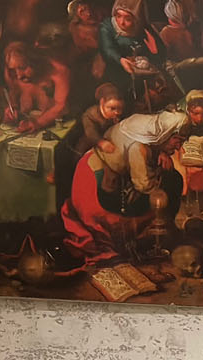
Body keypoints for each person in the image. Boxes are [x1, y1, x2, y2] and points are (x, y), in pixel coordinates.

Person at [60, 110, 188, 263]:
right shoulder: (138, 148)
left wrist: (162, 154)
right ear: (166, 135)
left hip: (104, 172)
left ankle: (159, 233)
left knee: (171, 180)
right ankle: (151, 237)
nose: (179, 147)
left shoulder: (146, 130)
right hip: (92, 183)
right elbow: (143, 185)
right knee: (168, 187)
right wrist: (160, 180)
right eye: (177, 141)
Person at [98, 0, 166, 104]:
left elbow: (160, 54)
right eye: (118, 16)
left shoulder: (143, 29)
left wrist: (154, 51)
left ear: (136, 19)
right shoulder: (107, 27)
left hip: (142, 79)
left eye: (127, 19)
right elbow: (107, 49)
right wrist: (120, 60)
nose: (121, 22)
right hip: (116, 75)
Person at [3, 41, 70, 133]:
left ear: (34, 61)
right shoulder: (11, 74)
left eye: (22, 68)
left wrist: (38, 123)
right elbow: (13, 95)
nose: (19, 76)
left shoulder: (58, 71)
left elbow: (62, 106)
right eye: (13, 70)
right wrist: (12, 109)